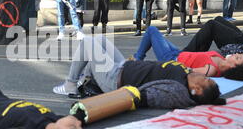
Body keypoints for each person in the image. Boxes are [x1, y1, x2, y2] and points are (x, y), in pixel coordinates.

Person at [52, 35, 225, 107]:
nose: (204, 77)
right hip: (124, 66)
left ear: (197, 89)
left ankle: (71, 84)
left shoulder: (178, 91)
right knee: (100, 38)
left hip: (115, 79)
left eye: (207, 80)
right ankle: (88, 78)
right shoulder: (186, 74)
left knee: (88, 42)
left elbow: (148, 98)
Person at [133, 26, 243, 82]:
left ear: (234, 67)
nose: (236, 54)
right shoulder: (221, 58)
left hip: (171, 58)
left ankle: (137, 60)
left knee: (151, 30)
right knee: (156, 35)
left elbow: (185, 72)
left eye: (238, 57)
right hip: (179, 53)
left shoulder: (212, 69)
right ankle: (137, 58)